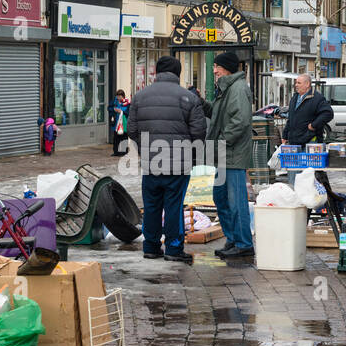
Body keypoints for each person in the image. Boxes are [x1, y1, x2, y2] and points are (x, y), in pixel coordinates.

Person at [126, 56, 206, 265]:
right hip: (178, 163)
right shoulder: (188, 98)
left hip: (152, 163)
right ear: (177, 73)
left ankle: (151, 247)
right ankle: (173, 248)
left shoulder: (140, 96)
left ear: (157, 72)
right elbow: (199, 132)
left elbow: (132, 130)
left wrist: (146, 149)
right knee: (173, 206)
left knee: (151, 206)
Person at [206, 51, 255, 259]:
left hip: (232, 154)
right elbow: (221, 116)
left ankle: (243, 244)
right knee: (221, 198)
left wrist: (221, 142)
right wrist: (202, 105)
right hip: (225, 154)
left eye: (217, 66)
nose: (214, 70)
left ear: (226, 68)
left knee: (236, 202)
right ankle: (233, 239)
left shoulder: (237, 89)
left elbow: (240, 121)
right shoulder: (227, 88)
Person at [282, 73, 334, 147]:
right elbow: (291, 118)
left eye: (299, 83)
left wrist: (313, 125)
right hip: (294, 142)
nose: (296, 85)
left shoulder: (317, 98)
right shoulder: (294, 98)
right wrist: (285, 135)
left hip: (310, 141)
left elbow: (328, 113)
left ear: (307, 84)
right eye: (296, 83)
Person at [109, 90, 130, 157]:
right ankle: (116, 152)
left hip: (124, 123)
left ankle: (124, 152)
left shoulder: (127, 103)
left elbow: (129, 112)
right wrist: (114, 110)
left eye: (120, 96)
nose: (118, 98)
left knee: (124, 138)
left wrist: (121, 112)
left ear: (123, 96)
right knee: (116, 138)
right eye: (117, 96)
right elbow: (109, 108)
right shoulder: (114, 102)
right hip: (116, 123)